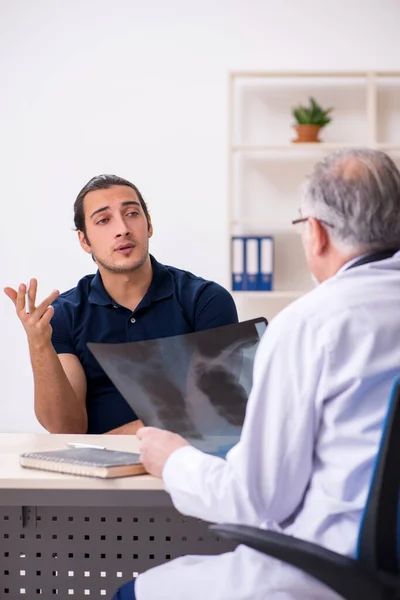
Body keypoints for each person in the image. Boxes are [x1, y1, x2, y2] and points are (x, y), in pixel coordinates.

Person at [113, 148, 400, 600]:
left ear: (317, 233)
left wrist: (173, 460)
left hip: (328, 576)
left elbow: (256, 500)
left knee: (133, 593)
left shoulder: (312, 323)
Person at [4, 174, 238, 435]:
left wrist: (106, 443)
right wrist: (39, 344)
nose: (123, 229)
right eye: (104, 220)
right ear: (84, 241)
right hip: (94, 473)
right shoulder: (63, 314)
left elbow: (218, 410)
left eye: (132, 214)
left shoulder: (205, 300)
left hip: (183, 465)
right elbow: (65, 428)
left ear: (148, 225)